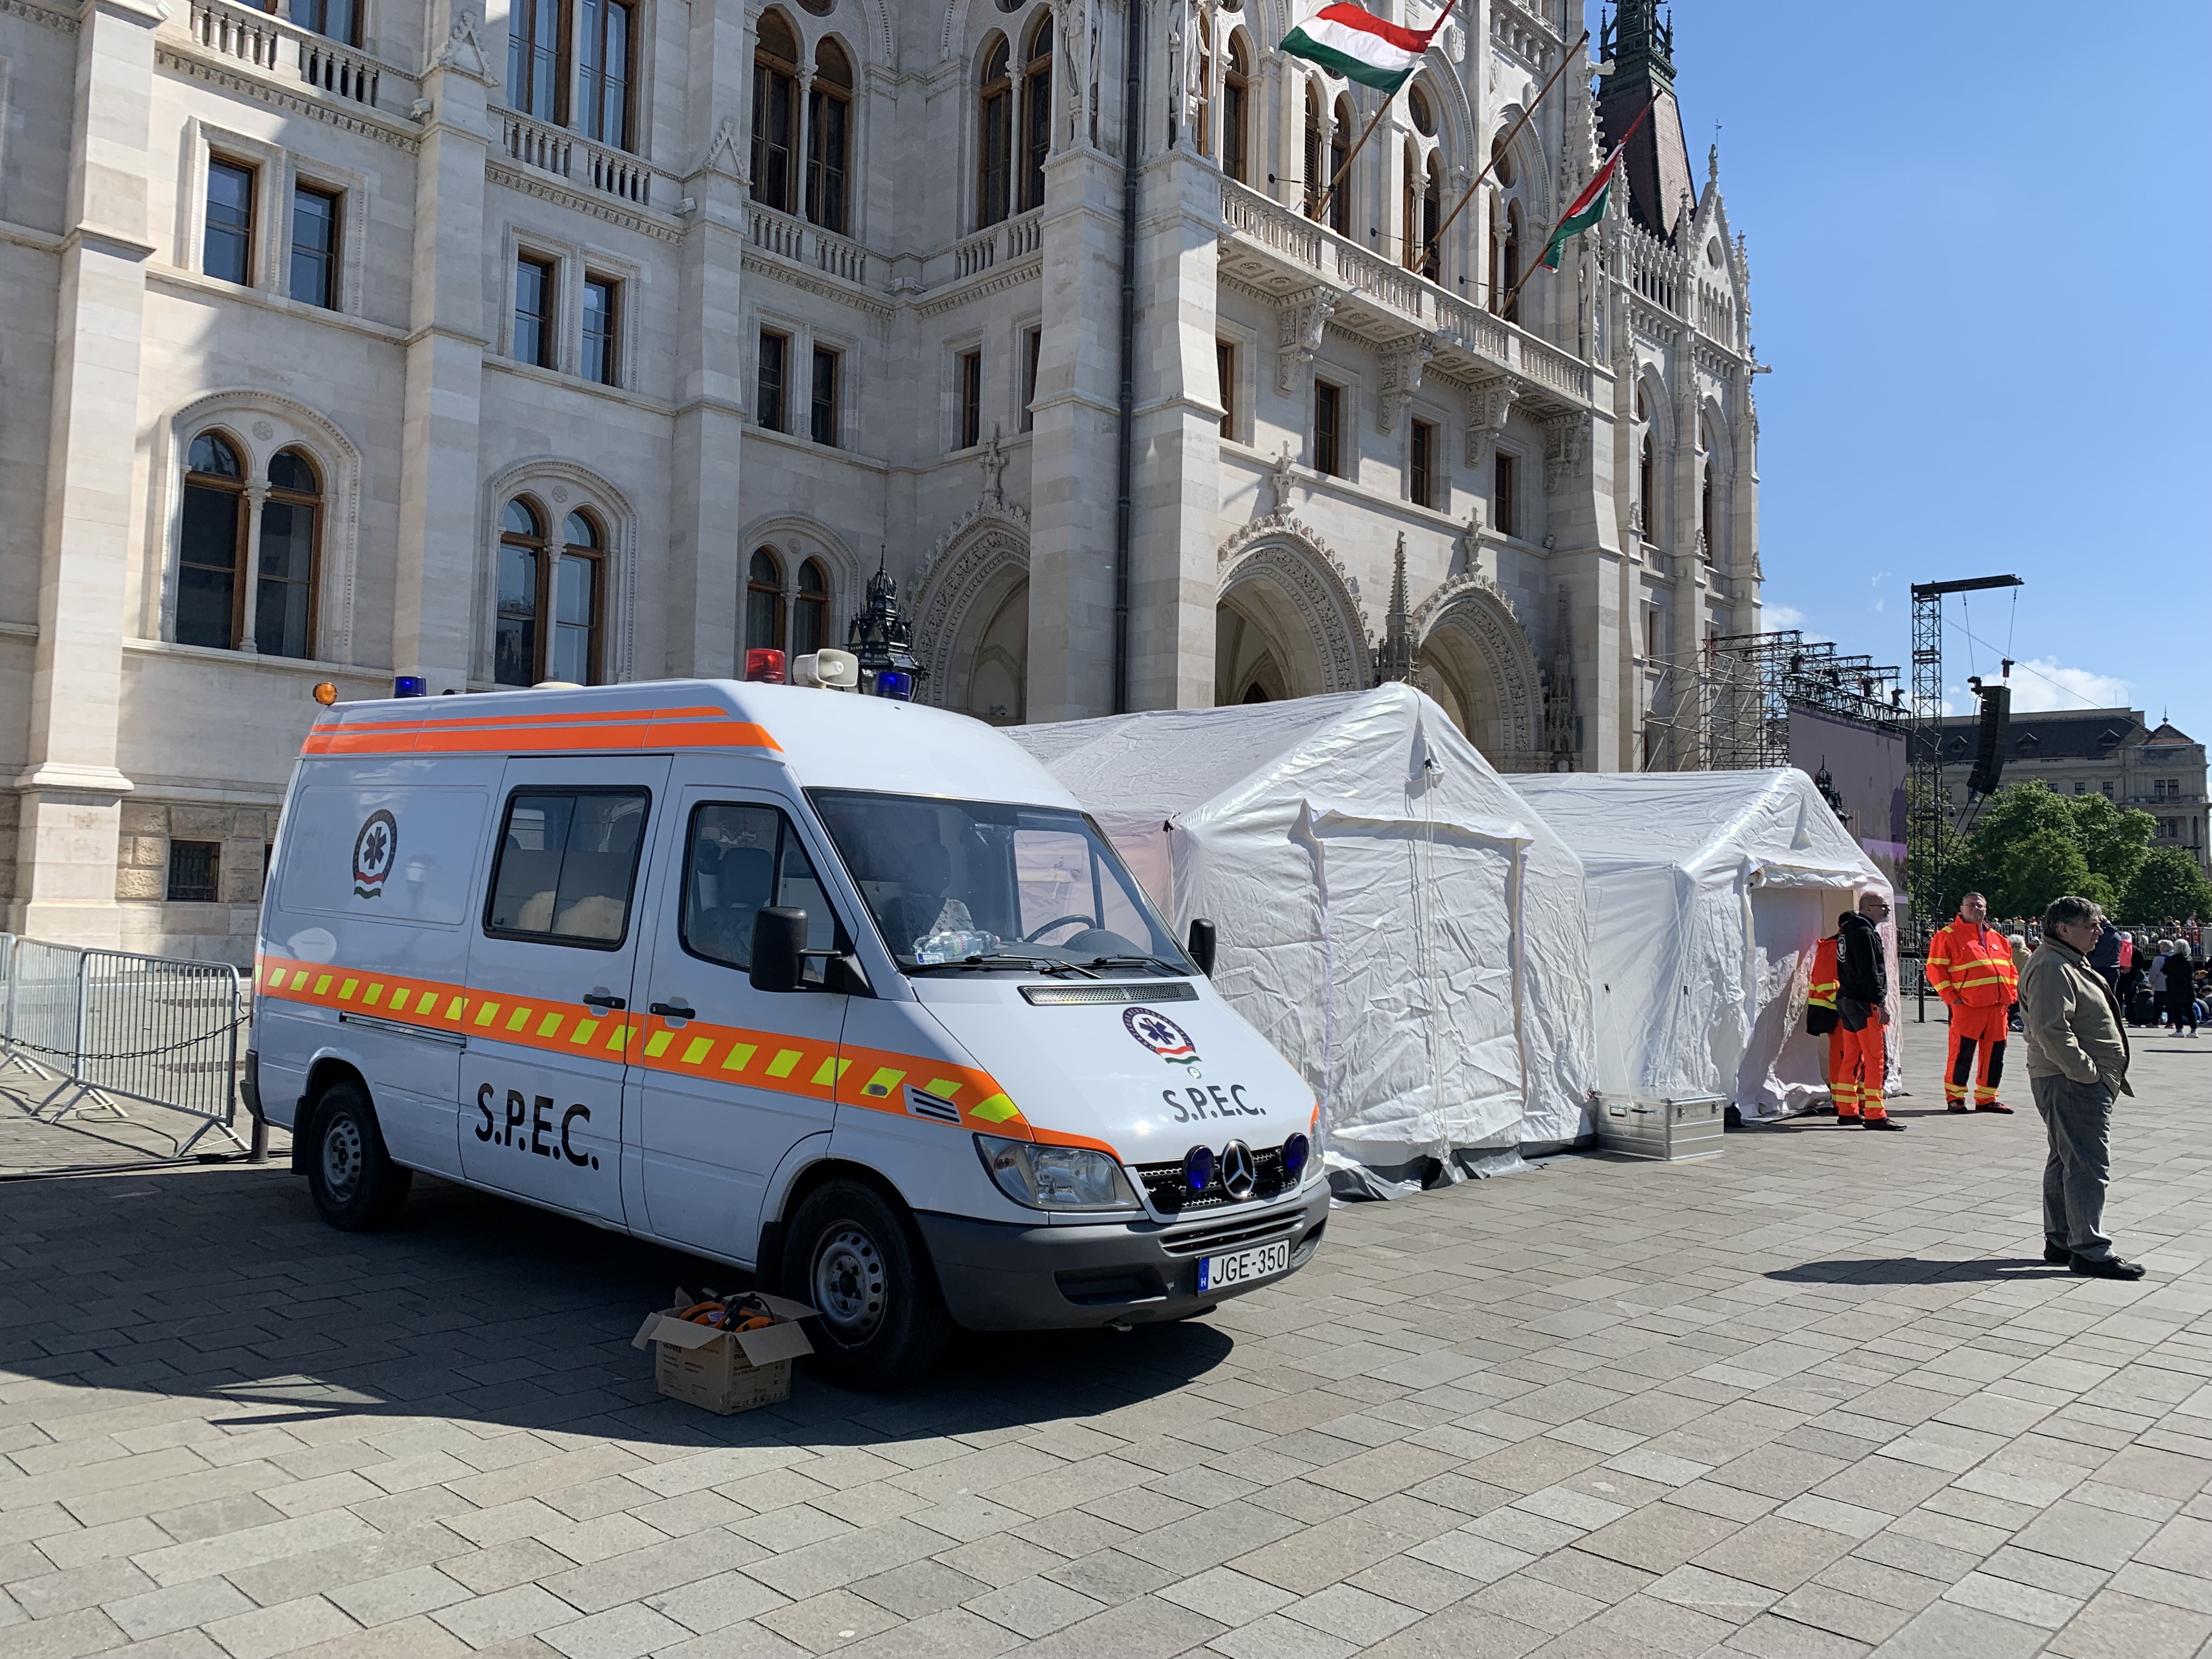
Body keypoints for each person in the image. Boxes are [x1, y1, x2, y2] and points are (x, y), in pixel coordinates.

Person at [2020, 894, 2142, 1279]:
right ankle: (2089, 1248)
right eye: (2092, 925)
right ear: (2064, 929)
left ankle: (2062, 1239)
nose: (2100, 931)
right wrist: (2086, 1073)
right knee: (2088, 1164)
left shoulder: (2064, 960)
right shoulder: (2054, 966)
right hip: (2070, 1082)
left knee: (2066, 1158)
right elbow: (2050, 1028)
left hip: (2070, 1080)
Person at [1926, 891, 2017, 1112]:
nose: (1976, 909)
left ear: (1986, 909)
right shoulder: (1947, 935)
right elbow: (1935, 969)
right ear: (1962, 908)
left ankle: (1987, 1098)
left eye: (1980, 905)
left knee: (1995, 1054)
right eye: (1971, 905)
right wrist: (1952, 998)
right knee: (1962, 1053)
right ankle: (1955, 1098)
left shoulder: (1998, 938)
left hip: (1998, 1007)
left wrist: (2011, 993)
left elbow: (2011, 969)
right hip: (1967, 1006)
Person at [1833, 891, 1900, 1130]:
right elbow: (1870, 971)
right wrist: (1880, 1002)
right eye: (1882, 906)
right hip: (1863, 1003)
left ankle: (1847, 1110)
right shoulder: (1864, 933)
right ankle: (1875, 1113)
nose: (1887, 910)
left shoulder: (1847, 932)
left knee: (1851, 1058)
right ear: (1868, 909)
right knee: (1875, 1058)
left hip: (1847, 1000)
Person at [2160, 940, 2200, 1037]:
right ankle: (2194, 1030)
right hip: (2187, 987)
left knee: (2176, 1009)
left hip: (2174, 987)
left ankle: (2179, 1030)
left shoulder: (2170, 960)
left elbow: (2165, 971)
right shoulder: (2189, 960)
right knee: (2190, 1009)